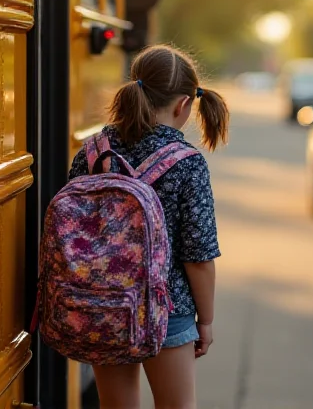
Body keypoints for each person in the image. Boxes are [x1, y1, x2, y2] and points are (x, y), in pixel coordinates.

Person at [67, 45, 229, 409]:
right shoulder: (187, 164)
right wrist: (206, 320)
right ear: (184, 105)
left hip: (104, 306)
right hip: (168, 310)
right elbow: (199, 257)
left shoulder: (93, 151)